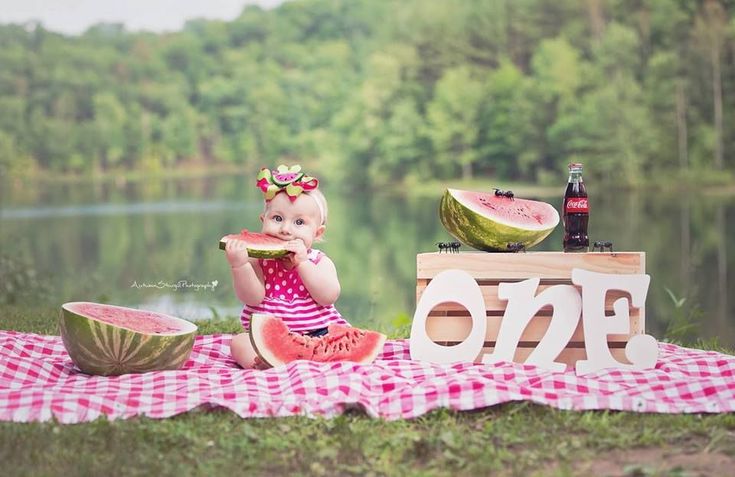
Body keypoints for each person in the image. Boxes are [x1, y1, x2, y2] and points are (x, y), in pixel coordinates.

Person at [225, 165, 349, 368]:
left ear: (317, 233)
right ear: (263, 220)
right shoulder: (259, 261)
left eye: (299, 222)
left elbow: (328, 296)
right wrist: (239, 265)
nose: (285, 229)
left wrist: (303, 264)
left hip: (319, 334)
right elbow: (252, 297)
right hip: (268, 337)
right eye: (277, 218)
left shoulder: (319, 261)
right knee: (239, 343)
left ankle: (303, 358)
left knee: (340, 341)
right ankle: (268, 361)